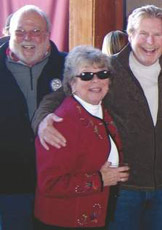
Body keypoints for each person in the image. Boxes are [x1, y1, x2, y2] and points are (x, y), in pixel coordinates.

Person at [32, 5, 162, 230]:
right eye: (143, 33)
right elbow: (61, 94)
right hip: (123, 187)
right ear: (130, 34)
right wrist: (43, 120)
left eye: (157, 35)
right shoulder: (109, 69)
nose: (150, 41)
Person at [34, 45, 129, 229]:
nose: (96, 81)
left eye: (102, 74)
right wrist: (99, 180)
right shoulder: (60, 122)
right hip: (64, 221)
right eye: (86, 75)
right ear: (71, 83)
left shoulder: (101, 110)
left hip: (97, 215)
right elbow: (49, 183)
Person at [0, 5, 66, 230]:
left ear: (48, 35)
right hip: (7, 186)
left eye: (36, 31)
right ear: (9, 33)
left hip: (59, 184)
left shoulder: (70, 68)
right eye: (20, 31)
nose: (28, 38)